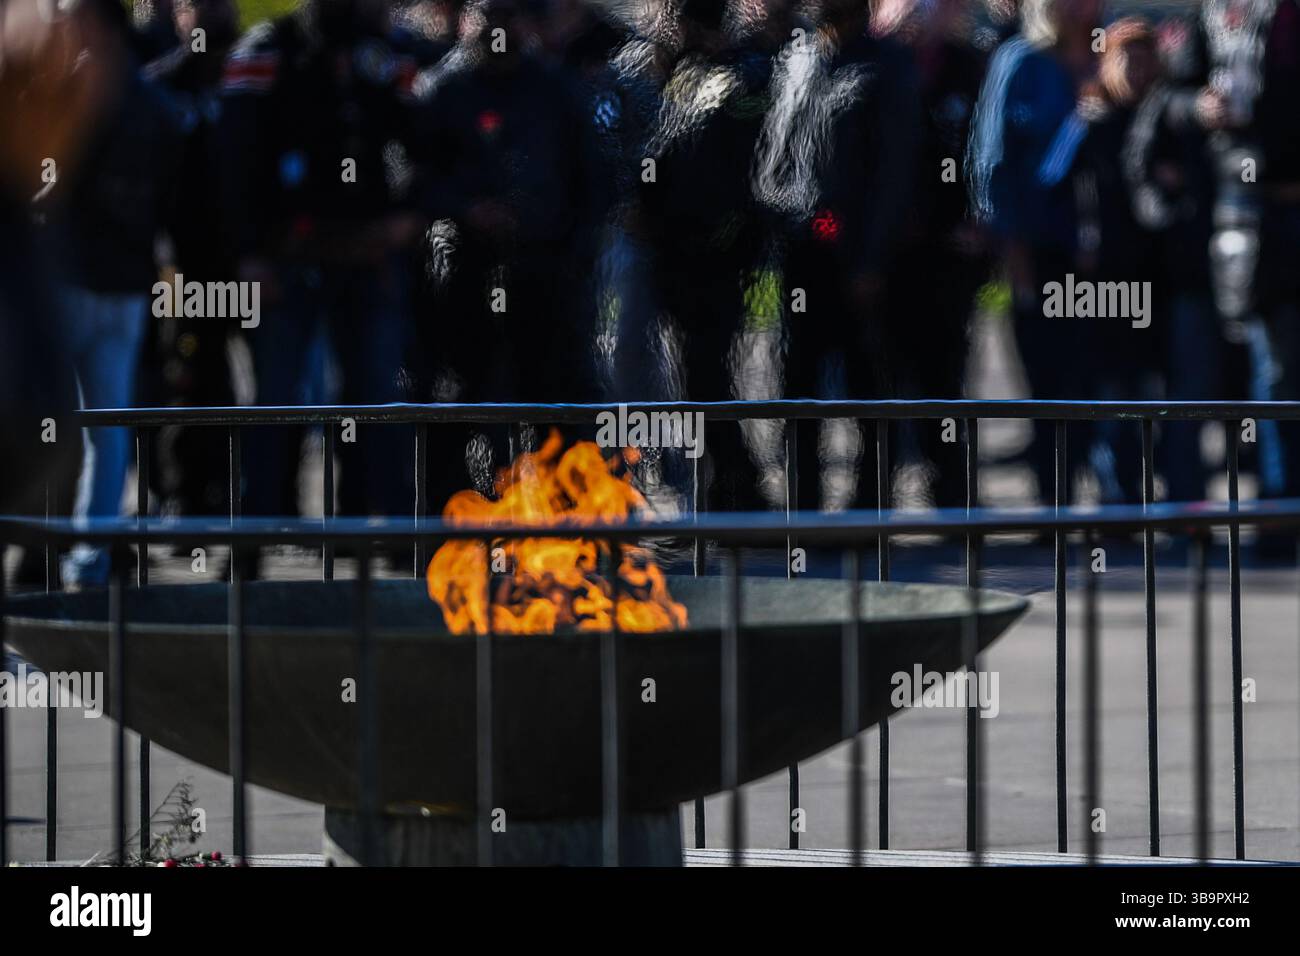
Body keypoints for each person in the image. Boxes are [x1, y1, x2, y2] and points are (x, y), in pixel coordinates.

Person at [219, 0, 423, 551]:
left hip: (368, 256)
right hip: (288, 256)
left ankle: (386, 533)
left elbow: (421, 140)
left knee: (377, 395)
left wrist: (410, 214)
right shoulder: (268, 50)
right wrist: (249, 255)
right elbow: (233, 159)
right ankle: (254, 540)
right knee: (276, 400)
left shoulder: (386, 53)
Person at [410, 0, 610, 510]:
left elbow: (593, 183)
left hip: (547, 277)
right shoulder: (442, 91)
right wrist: (464, 210)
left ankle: (570, 517)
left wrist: (572, 252)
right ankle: (458, 513)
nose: (501, 27)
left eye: (513, 15)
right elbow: (414, 180)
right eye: (489, 14)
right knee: (465, 402)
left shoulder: (556, 90)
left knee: (561, 401)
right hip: (464, 282)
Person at [756, 0, 921, 512]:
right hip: (802, 254)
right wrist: (787, 220)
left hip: (859, 259)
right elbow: (775, 158)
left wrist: (870, 258)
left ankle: (871, 506)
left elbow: (895, 174)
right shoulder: (799, 61)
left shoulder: (885, 66)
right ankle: (802, 510)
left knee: (866, 385)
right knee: (798, 385)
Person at [39, 0, 182, 586]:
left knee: (43, 424)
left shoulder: (69, 95)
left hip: (72, 284)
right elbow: (175, 208)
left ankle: (44, 550)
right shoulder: (158, 106)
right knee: (107, 434)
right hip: (125, 287)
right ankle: (85, 561)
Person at [966, 0, 1101, 505]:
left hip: (1103, 259)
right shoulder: (1020, 60)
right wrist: (1012, 248)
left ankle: (1110, 502)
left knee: (1094, 379)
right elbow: (993, 155)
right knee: (1049, 379)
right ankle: (1055, 505)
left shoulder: (1104, 56)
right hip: (1039, 253)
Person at [873, 0, 987, 510]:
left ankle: (952, 495)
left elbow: (987, 150)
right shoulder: (876, 62)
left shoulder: (969, 66)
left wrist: (978, 218)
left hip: (948, 252)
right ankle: (872, 498)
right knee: (880, 378)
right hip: (887, 252)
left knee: (945, 376)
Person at [142, 0, 242, 518]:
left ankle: (232, 495)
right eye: (195, 6)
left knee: (231, 383)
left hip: (240, 264)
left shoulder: (244, 81)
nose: (208, 16)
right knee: (184, 375)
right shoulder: (160, 87)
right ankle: (181, 496)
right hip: (177, 266)